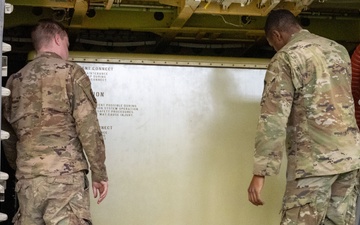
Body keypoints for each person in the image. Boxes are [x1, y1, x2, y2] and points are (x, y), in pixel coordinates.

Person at [247, 9, 360, 225]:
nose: (275, 48)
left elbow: (273, 120)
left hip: (314, 164)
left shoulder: (286, 58)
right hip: (349, 161)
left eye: (273, 44)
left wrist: (260, 173)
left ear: (277, 35)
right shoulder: (337, 50)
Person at [1, 19, 109, 225]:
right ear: (59, 38)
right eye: (67, 44)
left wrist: (24, 167)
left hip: (28, 182)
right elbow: (88, 126)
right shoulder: (71, 72)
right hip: (65, 180)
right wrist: (99, 173)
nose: (67, 51)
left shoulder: (14, 80)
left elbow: (7, 137)